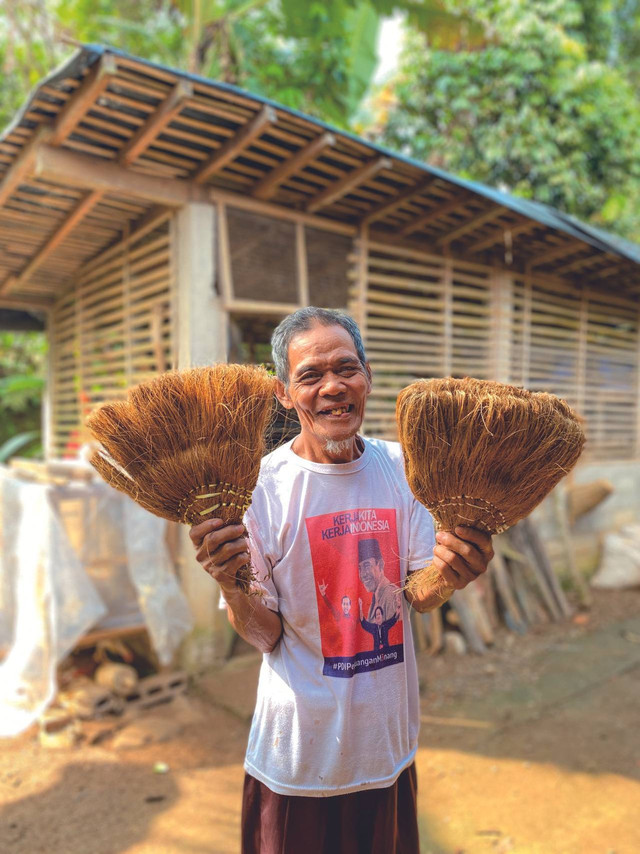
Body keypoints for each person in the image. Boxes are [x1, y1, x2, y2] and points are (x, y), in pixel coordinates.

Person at [189, 307, 494, 854]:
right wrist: (230, 583)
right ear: (284, 393)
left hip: (386, 751)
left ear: (368, 376)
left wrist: (451, 574)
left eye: (346, 368)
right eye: (310, 375)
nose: (333, 386)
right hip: (297, 763)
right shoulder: (260, 490)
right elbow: (266, 636)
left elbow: (417, 599)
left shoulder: (403, 469)